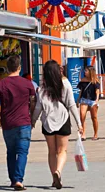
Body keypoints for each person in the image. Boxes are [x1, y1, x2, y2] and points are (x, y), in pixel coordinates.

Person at [0, 55, 36, 191]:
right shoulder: (27, 84)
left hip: (7, 123)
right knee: (22, 152)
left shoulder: (1, 84)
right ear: (19, 68)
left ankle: (13, 180)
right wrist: (32, 118)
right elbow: (33, 102)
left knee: (11, 151)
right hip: (24, 122)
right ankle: (19, 179)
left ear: (7, 69)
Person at [32, 60, 83, 190]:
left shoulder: (41, 89)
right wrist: (79, 123)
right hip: (63, 120)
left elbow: (38, 107)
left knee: (51, 151)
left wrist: (32, 121)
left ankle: (54, 178)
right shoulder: (65, 84)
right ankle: (58, 172)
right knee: (62, 150)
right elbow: (71, 104)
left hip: (47, 122)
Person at [77, 66, 100, 141]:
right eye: (85, 70)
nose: (85, 72)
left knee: (94, 117)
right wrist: (78, 100)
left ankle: (95, 134)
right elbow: (81, 91)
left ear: (90, 72)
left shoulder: (95, 80)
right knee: (82, 117)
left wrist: (97, 100)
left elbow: (97, 91)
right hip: (84, 99)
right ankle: (83, 134)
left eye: (86, 71)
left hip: (92, 100)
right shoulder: (83, 80)